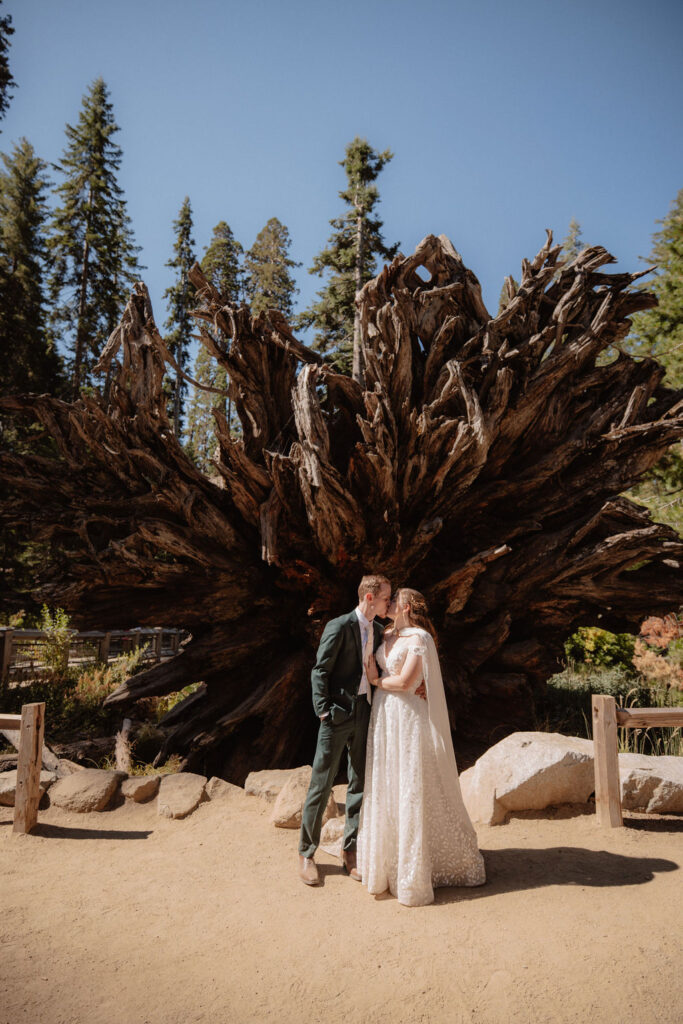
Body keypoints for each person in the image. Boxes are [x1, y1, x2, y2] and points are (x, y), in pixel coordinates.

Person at [358, 588, 486, 906]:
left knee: (410, 785)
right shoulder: (384, 633)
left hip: (408, 717)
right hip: (384, 718)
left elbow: (406, 682)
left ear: (404, 606)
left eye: (392, 599)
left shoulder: (419, 638)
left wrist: (376, 681)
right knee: (387, 784)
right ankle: (385, 866)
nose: (386, 604)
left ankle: (414, 872)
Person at [298, 574, 392, 886]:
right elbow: (320, 670)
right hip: (336, 717)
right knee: (321, 784)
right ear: (369, 598)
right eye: (385, 599)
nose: (388, 604)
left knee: (359, 783)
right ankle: (306, 853)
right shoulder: (338, 626)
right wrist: (323, 711)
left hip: (366, 713)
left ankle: (348, 852)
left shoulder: (379, 630)